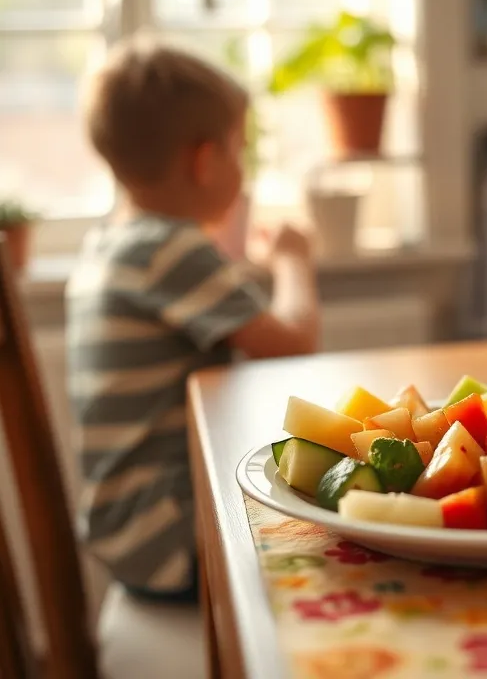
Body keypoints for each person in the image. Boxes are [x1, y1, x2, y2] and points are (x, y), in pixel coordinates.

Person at [67, 37, 318, 602]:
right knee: (330, 541)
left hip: (131, 531)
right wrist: (293, 259)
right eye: (241, 150)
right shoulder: (168, 250)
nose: (243, 168)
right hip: (166, 536)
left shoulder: (115, 242)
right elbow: (295, 342)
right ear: (205, 161)